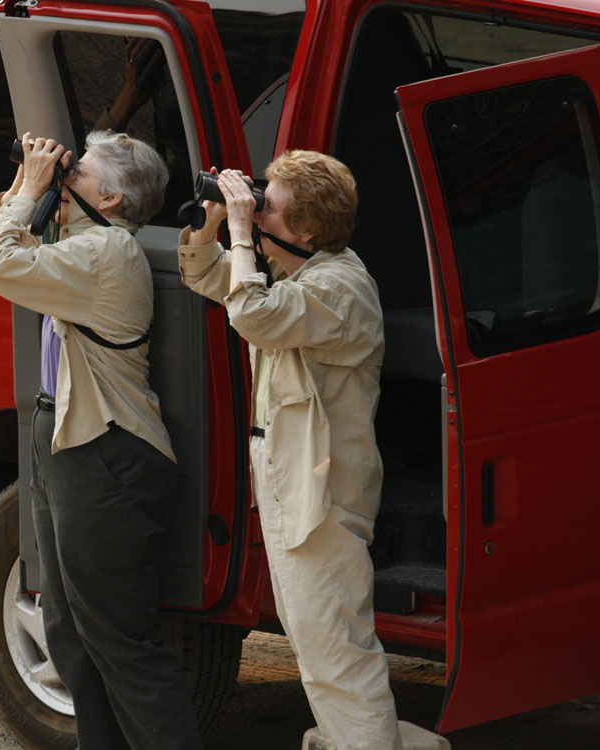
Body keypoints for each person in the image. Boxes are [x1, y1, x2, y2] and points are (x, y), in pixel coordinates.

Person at [178, 151, 436, 750]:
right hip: (290, 479)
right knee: (316, 642)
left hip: (322, 492)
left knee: (336, 652)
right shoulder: (296, 274)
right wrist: (218, 222)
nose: (258, 207)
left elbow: (252, 314)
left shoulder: (339, 288)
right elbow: (206, 275)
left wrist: (244, 231)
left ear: (310, 229)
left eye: (271, 205)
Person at [0, 131, 203, 750]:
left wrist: (30, 189)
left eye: (78, 172)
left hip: (108, 451)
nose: (62, 175)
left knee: (119, 640)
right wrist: (30, 187)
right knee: (68, 630)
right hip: (68, 438)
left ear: (111, 196)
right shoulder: (80, 242)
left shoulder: (105, 251)